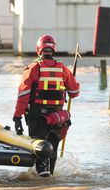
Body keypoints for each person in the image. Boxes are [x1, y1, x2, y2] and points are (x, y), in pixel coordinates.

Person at [14, 35, 80, 177]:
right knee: (52, 150)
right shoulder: (63, 69)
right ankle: (50, 184)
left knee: (40, 150)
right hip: (57, 118)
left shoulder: (32, 68)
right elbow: (74, 92)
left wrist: (17, 117)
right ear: (53, 49)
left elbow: (23, 95)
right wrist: (73, 79)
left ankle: (42, 186)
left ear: (39, 49)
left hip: (37, 117)